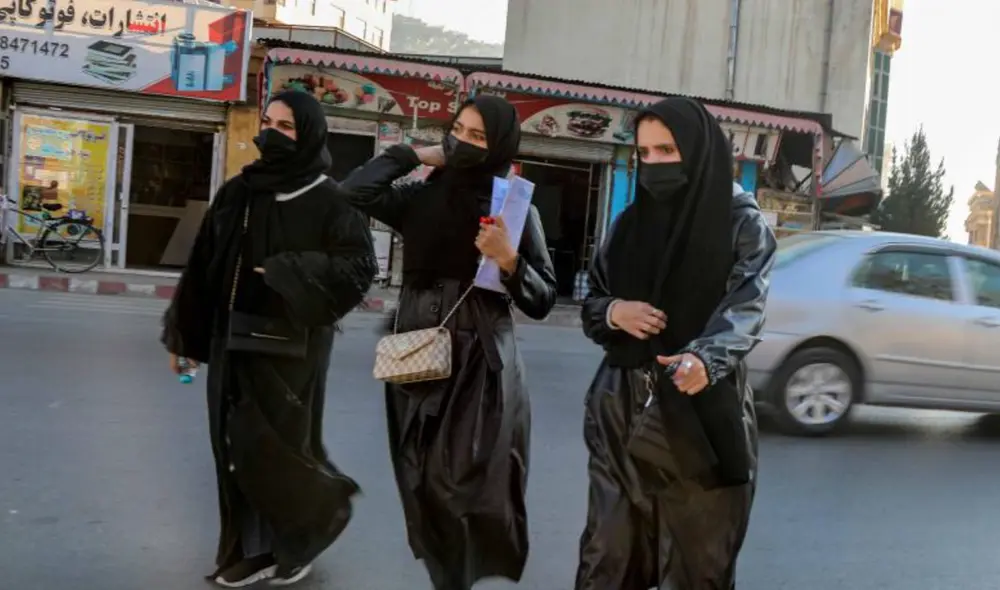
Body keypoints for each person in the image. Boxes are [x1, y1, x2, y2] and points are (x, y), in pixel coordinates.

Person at [340, 95, 558, 590]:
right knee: (418, 479)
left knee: (456, 485)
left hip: (479, 357)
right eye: (457, 129)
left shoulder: (514, 208)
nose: (461, 142)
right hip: (416, 345)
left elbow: (544, 297)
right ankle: (448, 578)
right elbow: (352, 192)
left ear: (500, 144)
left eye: (478, 137)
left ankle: (457, 579)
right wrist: (411, 155)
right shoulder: (421, 195)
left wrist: (508, 261)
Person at [161, 90, 378, 588]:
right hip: (229, 339)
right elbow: (202, 268)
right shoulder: (239, 191)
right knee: (232, 447)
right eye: (269, 122)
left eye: (286, 127)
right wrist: (185, 340)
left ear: (309, 136)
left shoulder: (330, 198)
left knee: (274, 450)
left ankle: (302, 530)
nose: (271, 134)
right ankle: (252, 548)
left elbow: (359, 267)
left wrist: (287, 270)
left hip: (291, 348)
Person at [575, 96, 777, 589]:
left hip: (699, 410)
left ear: (698, 151)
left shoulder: (741, 224)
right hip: (620, 406)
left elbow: (747, 303)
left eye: (667, 150)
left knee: (695, 566)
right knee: (608, 557)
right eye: (645, 153)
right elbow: (594, 300)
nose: (655, 164)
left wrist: (704, 358)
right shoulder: (630, 224)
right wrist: (613, 311)